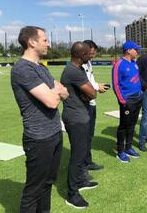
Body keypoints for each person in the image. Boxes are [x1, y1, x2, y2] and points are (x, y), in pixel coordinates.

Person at [11, 26, 69, 212]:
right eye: (45, 40)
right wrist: (56, 91)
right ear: (32, 42)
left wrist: (57, 91)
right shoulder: (22, 69)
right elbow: (53, 101)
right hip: (38, 139)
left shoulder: (40, 67)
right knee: (34, 189)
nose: (48, 44)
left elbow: (64, 93)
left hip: (54, 133)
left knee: (48, 183)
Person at [61, 42, 98, 209]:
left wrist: (87, 94)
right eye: (87, 54)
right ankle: (72, 194)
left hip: (80, 115)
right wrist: (88, 93)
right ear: (80, 55)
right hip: (76, 119)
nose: (89, 56)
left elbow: (88, 94)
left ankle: (81, 181)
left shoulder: (78, 69)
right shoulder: (73, 71)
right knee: (77, 156)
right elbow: (92, 92)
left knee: (82, 153)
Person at [112, 41, 143, 162]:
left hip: (137, 98)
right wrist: (122, 100)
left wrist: (140, 92)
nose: (137, 51)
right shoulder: (119, 64)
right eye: (136, 49)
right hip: (127, 100)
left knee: (132, 124)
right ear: (129, 50)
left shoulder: (135, 63)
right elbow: (116, 84)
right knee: (124, 126)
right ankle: (120, 151)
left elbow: (137, 79)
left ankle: (128, 147)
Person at [82, 40, 107, 172]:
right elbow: (84, 84)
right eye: (92, 52)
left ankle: (87, 161)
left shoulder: (88, 63)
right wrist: (97, 87)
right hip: (84, 106)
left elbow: (90, 81)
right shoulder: (79, 65)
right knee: (84, 137)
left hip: (91, 103)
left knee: (89, 135)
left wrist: (98, 85)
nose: (93, 55)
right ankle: (82, 166)